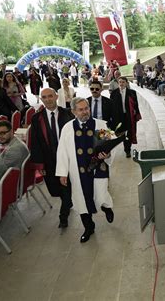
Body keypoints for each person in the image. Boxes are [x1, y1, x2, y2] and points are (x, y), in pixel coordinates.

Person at [56, 97, 115, 243]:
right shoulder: (67, 128)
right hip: (77, 171)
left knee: (100, 194)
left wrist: (107, 155)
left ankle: (106, 207)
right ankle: (89, 227)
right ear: (74, 111)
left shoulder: (101, 124)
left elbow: (110, 145)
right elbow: (62, 151)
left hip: (98, 169)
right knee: (81, 200)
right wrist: (63, 173)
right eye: (81, 110)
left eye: (86, 108)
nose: (85, 112)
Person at [30, 88, 74, 228]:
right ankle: (67, 201)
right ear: (41, 99)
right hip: (49, 160)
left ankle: (63, 215)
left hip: (67, 158)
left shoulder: (67, 114)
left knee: (65, 187)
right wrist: (40, 164)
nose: (48, 99)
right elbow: (35, 142)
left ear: (56, 97)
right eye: (44, 97)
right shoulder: (37, 118)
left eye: (50, 96)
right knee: (55, 189)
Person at [110, 76, 141, 158]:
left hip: (129, 116)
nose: (121, 84)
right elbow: (111, 106)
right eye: (120, 82)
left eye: (123, 82)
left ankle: (127, 149)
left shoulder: (132, 93)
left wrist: (137, 115)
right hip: (118, 117)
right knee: (119, 132)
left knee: (129, 133)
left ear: (126, 83)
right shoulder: (114, 93)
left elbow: (136, 105)